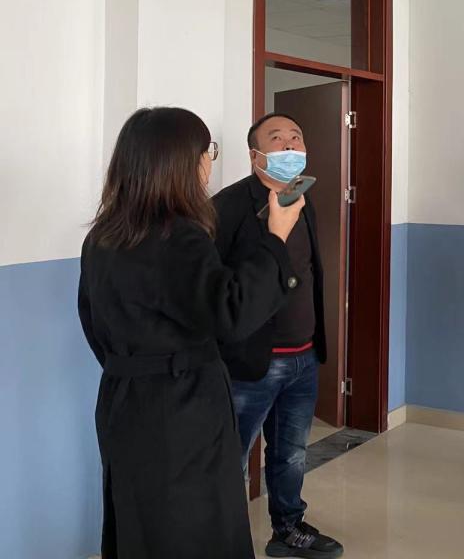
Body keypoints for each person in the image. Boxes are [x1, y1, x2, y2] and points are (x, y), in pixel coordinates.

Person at [78, 107, 305, 559]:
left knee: (138, 517)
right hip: (182, 406)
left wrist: (136, 368)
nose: (209, 163)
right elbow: (233, 313)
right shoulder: (179, 236)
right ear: (182, 161)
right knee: (195, 525)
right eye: (207, 152)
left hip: (123, 398)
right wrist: (275, 239)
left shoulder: (102, 235)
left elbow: (93, 322)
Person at [214, 113, 342, 559]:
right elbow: (217, 287)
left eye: (296, 138)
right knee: (229, 457)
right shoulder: (228, 206)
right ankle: (220, 540)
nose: (290, 146)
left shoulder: (302, 197)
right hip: (252, 360)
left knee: (291, 454)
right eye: (277, 139)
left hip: (303, 356)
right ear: (256, 155)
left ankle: (287, 529)